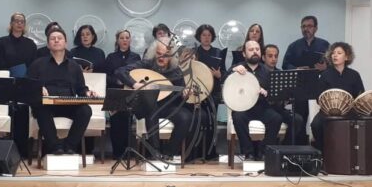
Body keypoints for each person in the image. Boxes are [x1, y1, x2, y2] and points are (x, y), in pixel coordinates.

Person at [116, 37, 203, 159]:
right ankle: (155, 153)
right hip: (148, 106)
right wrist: (135, 84)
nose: (161, 58)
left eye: (166, 55)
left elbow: (180, 94)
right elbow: (120, 71)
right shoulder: (146, 65)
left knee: (186, 117)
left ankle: (168, 153)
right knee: (151, 112)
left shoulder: (175, 71)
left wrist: (184, 94)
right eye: (158, 54)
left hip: (168, 107)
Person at [28, 28, 96, 155]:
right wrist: (37, 88)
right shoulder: (37, 64)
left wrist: (88, 93)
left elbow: (81, 88)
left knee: (85, 110)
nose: (56, 40)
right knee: (40, 110)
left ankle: (69, 145)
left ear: (65, 43)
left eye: (59, 38)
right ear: (48, 44)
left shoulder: (74, 66)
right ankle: (55, 147)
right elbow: (27, 86)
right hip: (46, 105)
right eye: (52, 39)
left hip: (68, 104)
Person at [228, 40, 283, 160]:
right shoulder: (238, 68)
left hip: (262, 107)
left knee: (276, 119)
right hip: (243, 107)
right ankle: (249, 153)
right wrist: (233, 70)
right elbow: (224, 81)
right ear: (244, 53)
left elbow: (274, 96)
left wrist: (267, 93)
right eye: (251, 50)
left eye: (257, 49)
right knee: (237, 117)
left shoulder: (267, 71)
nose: (255, 52)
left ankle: (263, 152)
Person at [281, 15, 330, 144]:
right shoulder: (294, 46)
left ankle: (318, 147)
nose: (306, 29)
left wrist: (325, 66)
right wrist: (297, 68)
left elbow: (332, 65)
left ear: (316, 28)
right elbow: (285, 65)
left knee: (317, 120)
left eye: (309, 26)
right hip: (300, 86)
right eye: (303, 26)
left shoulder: (325, 45)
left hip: (318, 85)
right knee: (300, 118)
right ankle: (299, 148)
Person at [0, 12, 37, 159]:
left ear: (24, 25)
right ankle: (6, 152)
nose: (19, 24)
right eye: (16, 21)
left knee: (22, 116)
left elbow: (33, 66)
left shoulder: (30, 44)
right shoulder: (2, 42)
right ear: (11, 23)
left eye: (22, 21)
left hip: (24, 85)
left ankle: (22, 152)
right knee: (8, 116)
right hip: (7, 84)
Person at [310, 42, 365, 150]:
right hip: (328, 111)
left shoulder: (354, 75)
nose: (335, 55)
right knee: (315, 125)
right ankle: (324, 152)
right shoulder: (325, 75)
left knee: (361, 123)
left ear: (347, 57)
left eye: (339, 53)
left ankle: (352, 153)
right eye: (333, 53)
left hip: (349, 110)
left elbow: (360, 94)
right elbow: (319, 97)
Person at [105, 30, 141, 160]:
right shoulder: (111, 57)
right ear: (118, 40)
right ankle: (117, 154)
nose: (124, 40)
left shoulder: (136, 57)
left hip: (130, 93)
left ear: (130, 40)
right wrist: (117, 80)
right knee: (115, 124)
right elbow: (106, 77)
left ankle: (127, 153)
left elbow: (138, 75)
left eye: (127, 38)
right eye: (122, 38)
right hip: (115, 93)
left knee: (127, 122)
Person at [263, 44, 305, 145]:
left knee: (298, 119)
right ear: (263, 57)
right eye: (270, 56)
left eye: (276, 56)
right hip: (264, 109)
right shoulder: (260, 72)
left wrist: (287, 98)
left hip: (279, 108)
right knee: (276, 118)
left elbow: (288, 94)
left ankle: (284, 146)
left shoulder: (281, 73)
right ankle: (266, 148)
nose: (274, 59)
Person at [194, 24, 224, 159]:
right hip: (198, 92)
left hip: (214, 92)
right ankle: (197, 152)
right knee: (199, 121)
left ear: (212, 37)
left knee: (212, 122)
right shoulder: (194, 52)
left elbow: (224, 73)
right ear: (199, 37)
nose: (206, 38)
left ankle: (211, 153)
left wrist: (219, 75)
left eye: (209, 35)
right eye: (203, 35)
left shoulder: (218, 52)